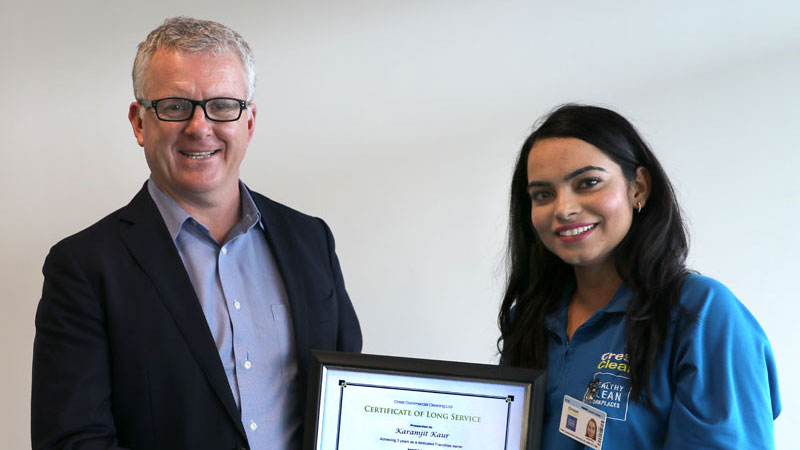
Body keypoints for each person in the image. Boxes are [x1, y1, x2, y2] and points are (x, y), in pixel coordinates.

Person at [31, 17, 361, 450]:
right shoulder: (84, 267)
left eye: (223, 105)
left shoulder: (311, 241)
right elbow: (73, 441)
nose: (200, 127)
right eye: (174, 106)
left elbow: (350, 405)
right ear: (139, 122)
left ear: (249, 121)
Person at [498, 104, 780, 449]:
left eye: (588, 183)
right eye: (543, 194)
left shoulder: (702, 313)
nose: (564, 209)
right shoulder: (528, 320)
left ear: (639, 188)